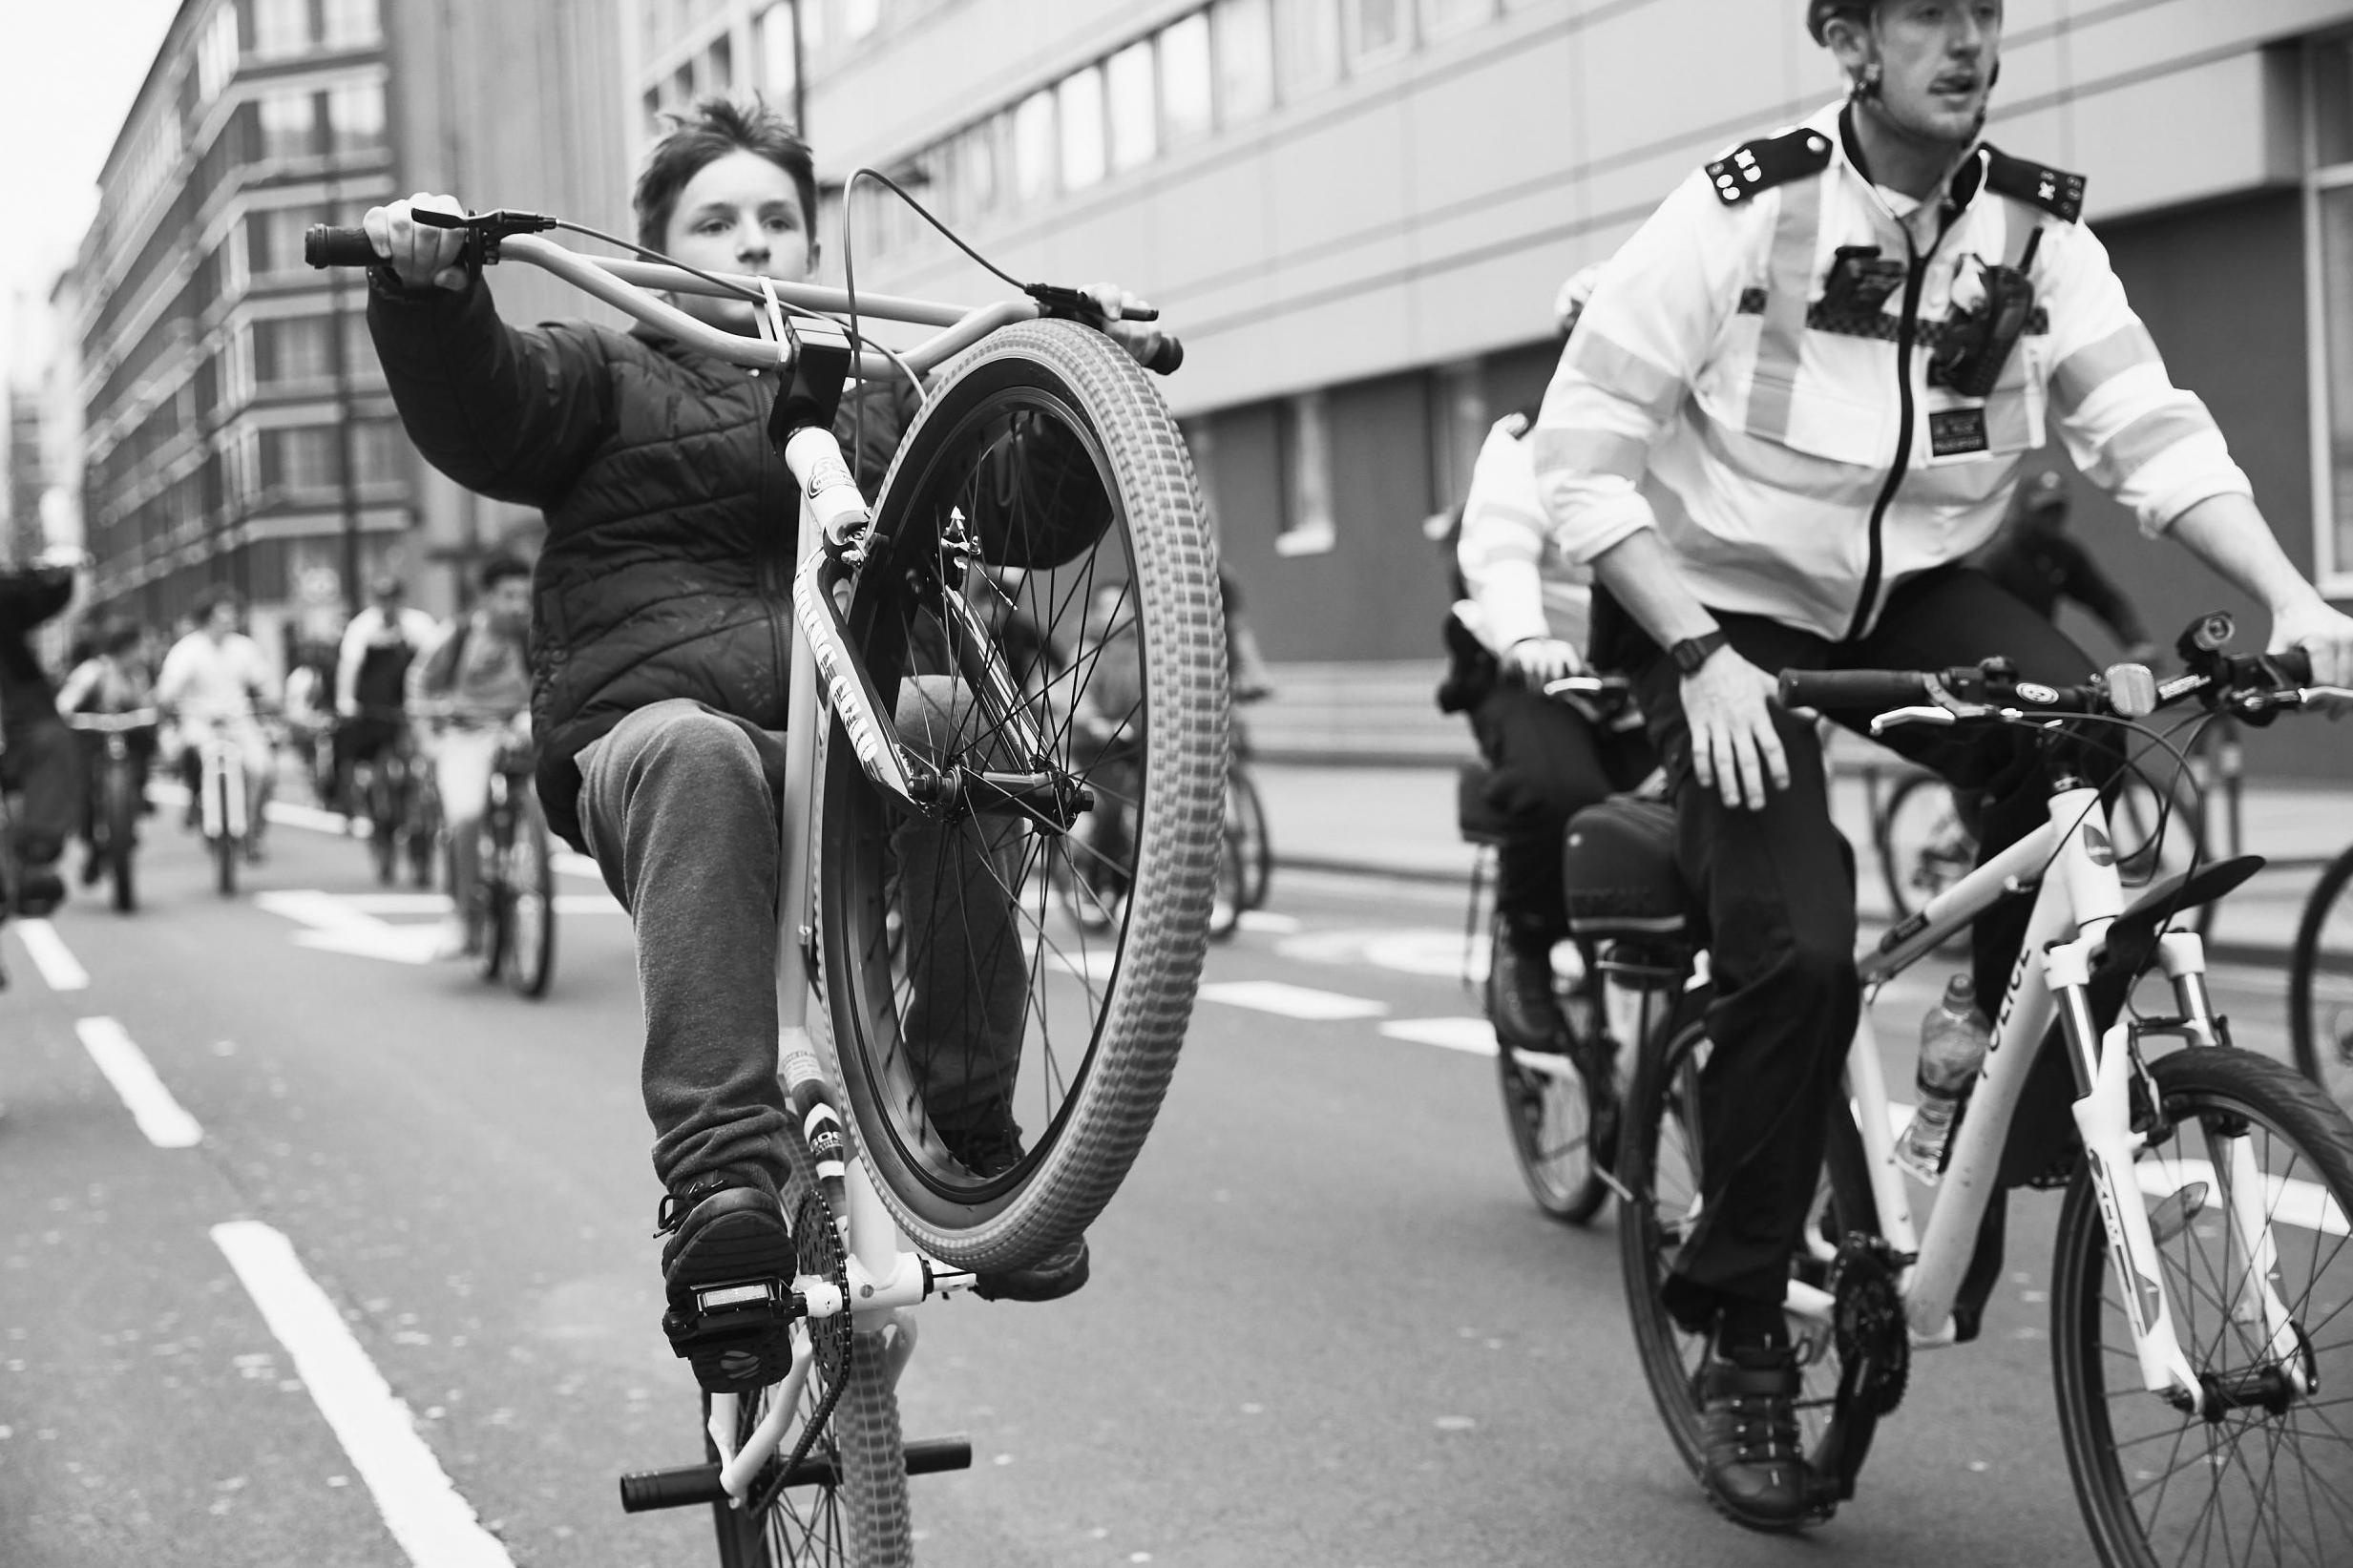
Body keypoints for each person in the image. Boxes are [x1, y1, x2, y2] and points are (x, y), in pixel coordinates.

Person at [1531, 0, 2353, 1529]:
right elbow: (1576, 457)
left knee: (2113, 757)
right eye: (1927, 15)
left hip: (1919, 590)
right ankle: (1741, 1338)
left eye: (1982, 12)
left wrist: (2292, 594)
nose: (1966, 41)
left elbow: (2147, 431)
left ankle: (1978, 1037)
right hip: (1715, 605)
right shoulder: (1748, 208)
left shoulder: (2037, 235)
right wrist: (1697, 650)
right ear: (1848, 41)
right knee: (1793, 941)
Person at [357, 95, 1161, 1390]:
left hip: (847, 745)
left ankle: (970, 1135)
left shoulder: (884, 399)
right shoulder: (604, 371)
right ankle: (720, 1187)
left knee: (960, 722)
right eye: (715, 220)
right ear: (654, 248)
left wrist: (1080, 374)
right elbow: (482, 407)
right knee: (699, 754)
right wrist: (430, 298)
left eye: (779, 217)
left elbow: (1021, 508)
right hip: (654, 740)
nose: (754, 240)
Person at [1445, 265, 1656, 1055]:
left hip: (1639, 678)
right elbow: (1500, 551)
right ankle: (1526, 947)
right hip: (1530, 669)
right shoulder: (1522, 444)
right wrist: (1527, 638)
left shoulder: (1678, 442)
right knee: (1556, 790)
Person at [409, 554, 534, 959]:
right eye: (508, 595)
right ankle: (462, 916)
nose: (518, 605)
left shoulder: (536, 635)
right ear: (486, 597)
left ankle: (529, 859)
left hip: (520, 732)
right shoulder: (457, 634)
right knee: (464, 816)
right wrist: (428, 739)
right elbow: (419, 683)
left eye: (524, 596)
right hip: (465, 734)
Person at [1974, 468, 2157, 662]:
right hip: (1992, 654)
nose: (2052, 518)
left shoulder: (2062, 553)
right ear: (2024, 510)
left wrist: (2137, 642)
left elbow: (2105, 600)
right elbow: (1973, 612)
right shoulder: (1998, 556)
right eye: (2044, 511)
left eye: (2057, 509)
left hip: (2037, 653)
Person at [158, 586, 282, 858]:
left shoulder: (244, 648)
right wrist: (170, 701)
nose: (228, 621)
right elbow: (168, 689)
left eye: (231, 615)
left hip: (240, 721)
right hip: (200, 723)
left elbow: (265, 683)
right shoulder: (187, 650)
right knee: (189, 754)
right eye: (221, 616)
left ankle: (253, 830)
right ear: (206, 618)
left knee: (264, 770)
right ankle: (196, 800)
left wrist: (273, 699)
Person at [0, 552, 86, 916]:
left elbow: (36, 598)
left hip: (17, 714)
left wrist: (60, 572)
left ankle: (36, 859)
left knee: (54, 740)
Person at [56, 619, 159, 885]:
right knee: (84, 795)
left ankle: (137, 801)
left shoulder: (138, 675)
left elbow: (148, 705)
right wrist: (79, 719)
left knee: (142, 755)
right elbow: (65, 704)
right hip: (93, 741)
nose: (141, 653)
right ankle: (93, 846)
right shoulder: (92, 671)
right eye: (138, 647)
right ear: (125, 648)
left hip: (127, 741)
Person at [334, 574, 437, 813]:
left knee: (425, 752)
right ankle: (367, 793)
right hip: (376, 702)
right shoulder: (362, 626)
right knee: (369, 749)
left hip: (413, 699)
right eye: (382, 598)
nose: (387, 604)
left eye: (392, 598)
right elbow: (349, 665)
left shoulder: (418, 624)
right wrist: (345, 700)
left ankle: (428, 801)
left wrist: (435, 699)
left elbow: (434, 663)